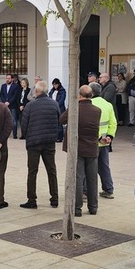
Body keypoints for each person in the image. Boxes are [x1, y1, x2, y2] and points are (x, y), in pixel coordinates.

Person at [60, 85, 101, 216]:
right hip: (92, 148)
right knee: (92, 178)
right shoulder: (97, 110)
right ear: (91, 96)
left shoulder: (75, 109)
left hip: (77, 147)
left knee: (78, 178)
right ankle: (93, 207)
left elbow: (61, 120)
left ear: (80, 95)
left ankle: (77, 208)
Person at [19, 80, 60, 209]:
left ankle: (32, 200)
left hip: (34, 143)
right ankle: (54, 198)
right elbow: (58, 121)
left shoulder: (30, 105)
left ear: (37, 91)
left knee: (32, 171)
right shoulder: (54, 104)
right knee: (51, 170)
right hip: (49, 142)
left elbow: (24, 125)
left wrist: (27, 136)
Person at [89, 82, 117, 199]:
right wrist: (110, 136)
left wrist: (99, 137)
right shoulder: (107, 105)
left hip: (91, 141)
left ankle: (85, 191)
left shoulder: (89, 104)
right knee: (104, 166)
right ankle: (108, 189)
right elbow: (113, 123)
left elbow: (90, 124)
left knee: (88, 167)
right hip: (105, 142)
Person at [0, 74, 21, 139]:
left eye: (9, 78)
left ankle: (14, 134)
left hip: (12, 106)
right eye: (6, 78)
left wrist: (9, 102)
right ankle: (5, 134)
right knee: (4, 121)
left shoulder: (16, 86)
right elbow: (1, 94)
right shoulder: (3, 86)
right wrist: (4, 102)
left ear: (12, 79)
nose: (7, 79)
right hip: (4, 106)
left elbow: (15, 95)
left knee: (14, 121)